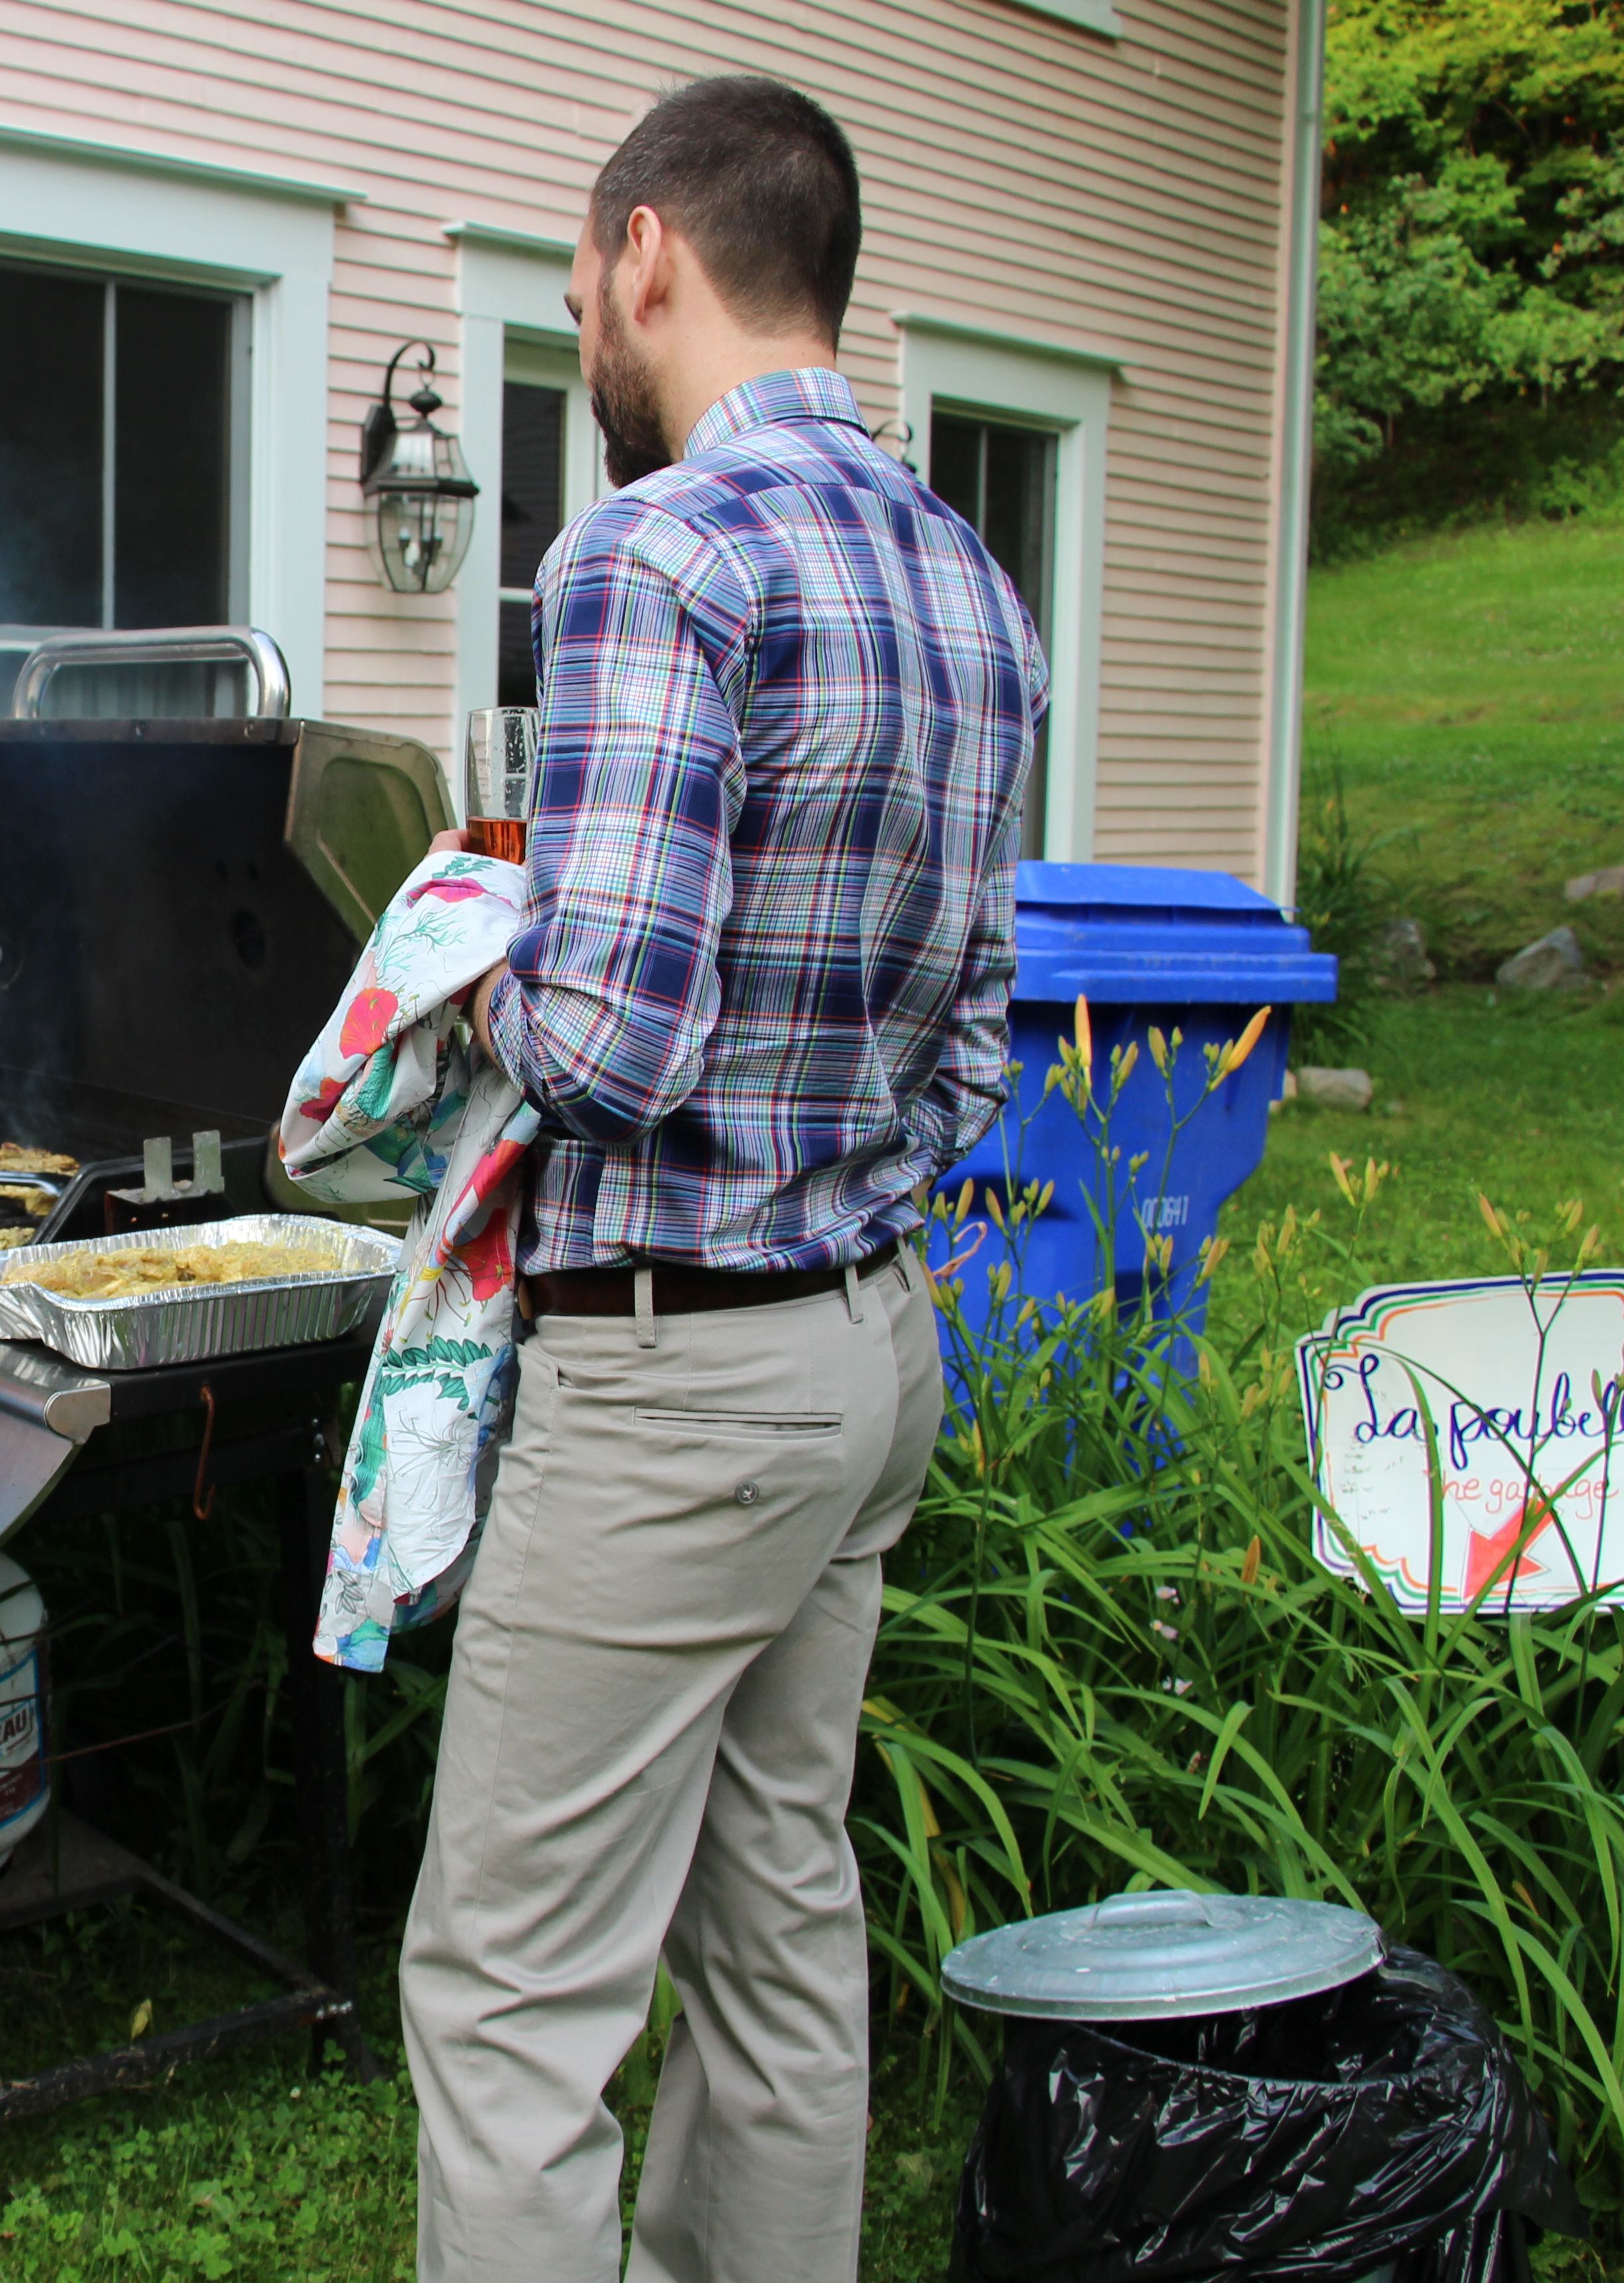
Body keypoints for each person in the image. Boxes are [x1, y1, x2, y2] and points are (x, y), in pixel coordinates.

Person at [396, 78, 1047, 2283]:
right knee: (779, 1925)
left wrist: (453, 967)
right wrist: (827, 1183)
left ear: (647, 255)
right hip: (867, 1351)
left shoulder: (654, 549)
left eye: (582, 285)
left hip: (674, 1383)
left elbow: (607, 1046)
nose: (585, 327)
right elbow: (978, 1043)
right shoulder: (971, 579)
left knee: (512, 1993)